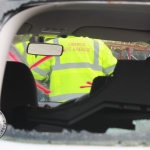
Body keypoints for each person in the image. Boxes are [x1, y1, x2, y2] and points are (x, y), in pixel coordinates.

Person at [31, 36, 117, 102]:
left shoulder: (52, 44)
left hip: (60, 105)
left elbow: (36, 75)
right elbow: (116, 73)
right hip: (91, 102)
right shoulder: (98, 45)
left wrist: (47, 78)